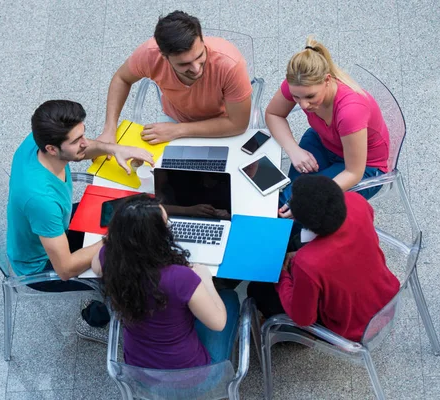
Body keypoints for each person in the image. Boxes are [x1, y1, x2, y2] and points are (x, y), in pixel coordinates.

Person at [7, 100, 154, 342]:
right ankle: (93, 321)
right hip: (42, 264)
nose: (84, 143)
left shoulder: (37, 140)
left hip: (57, 225)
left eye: (82, 134)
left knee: (126, 209)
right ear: (52, 149)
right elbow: (64, 268)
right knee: (126, 268)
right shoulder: (40, 199)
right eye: (76, 141)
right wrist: (111, 240)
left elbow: (84, 148)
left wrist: (114, 149)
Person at [90, 194, 240, 368]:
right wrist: (206, 280)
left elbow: (96, 265)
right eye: (165, 224)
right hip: (192, 374)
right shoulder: (180, 277)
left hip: (139, 371)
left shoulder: (110, 258)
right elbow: (218, 323)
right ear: (156, 237)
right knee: (229, 297)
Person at [247, 175, 400, 342]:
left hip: (352, 328)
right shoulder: (356, 201)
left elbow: (303, 318)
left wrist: (282, 276)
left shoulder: (307, 263)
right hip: (387, 299)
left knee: (257, 290)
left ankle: (292, 338)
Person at [265, 35, 390, 216]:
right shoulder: (299, 84)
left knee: (300, 207)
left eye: (310, 97)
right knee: (288, 199)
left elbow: (353, 172)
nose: (303, 105)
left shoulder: (350, 112)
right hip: (325, 140)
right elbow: (273, 113)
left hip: (364, 167)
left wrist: (312, 198)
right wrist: (293, 150)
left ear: (327, 80)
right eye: (296, 97)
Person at [97, 10, 252, 145]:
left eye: (199, 56)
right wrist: (109, 129)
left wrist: (179, 130)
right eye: (184, 64)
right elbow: (122, 78)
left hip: (221, 125)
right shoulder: (150, 54)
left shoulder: (230, 64)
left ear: (202, 40)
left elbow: (238, 124)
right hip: (174, 119)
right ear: (164, 57)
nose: (196, 68)